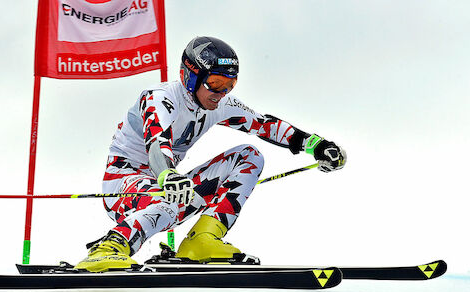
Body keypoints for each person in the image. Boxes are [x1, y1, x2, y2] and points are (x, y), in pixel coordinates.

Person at [75, 36, 346, 272]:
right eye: (215, 83)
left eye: (230, 85)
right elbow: (158, 143)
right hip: (124, 185)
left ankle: (202, 240)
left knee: (250, 156)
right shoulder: (160, 98)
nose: (221, 93)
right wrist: (168, 175)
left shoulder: (218, 104)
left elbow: (264, 125)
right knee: (173, 195)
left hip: (168, 185)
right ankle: (112, 245)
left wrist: (316, 145)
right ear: (190, 76)